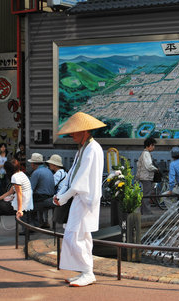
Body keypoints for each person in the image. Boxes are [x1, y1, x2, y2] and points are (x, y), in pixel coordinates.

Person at [53, 112, 106, 287]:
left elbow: (80, 180)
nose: (71, 135)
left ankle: (88, 272)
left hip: (85, 198)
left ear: (84, 131)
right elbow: (72, 176)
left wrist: (64, 197)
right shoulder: (84, 148)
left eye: (74, 132)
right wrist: (62, 193)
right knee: (80, 235)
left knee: (73, 235)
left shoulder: (92, 148)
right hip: (80, 198)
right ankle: (85, 271)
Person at [0, 159, 33, 244]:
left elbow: (19, 194)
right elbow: (11, 192)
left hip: (22, 205)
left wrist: (19, 210)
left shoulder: (15, 177)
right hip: (24, 203)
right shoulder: (21, 174)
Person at [28, 153, 55, 228]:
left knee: (25, 206)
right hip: (50, 197)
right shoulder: (48, 171)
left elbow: (30, 189)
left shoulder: (36, 172)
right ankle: (40, 222)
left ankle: (30, 226)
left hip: (43, 199)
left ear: (33, 164)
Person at [136, 137, 158, 215]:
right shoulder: (146, 154)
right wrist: (156, 169)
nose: (154, 147)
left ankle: (144, 211)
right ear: (149, 145)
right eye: (153, 145)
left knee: (145, 194)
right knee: (146, 195)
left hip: (143, 176)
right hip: (146, 177)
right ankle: (147, 212)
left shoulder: (144, 153)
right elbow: (149, 166)